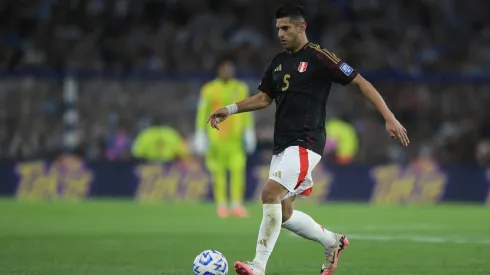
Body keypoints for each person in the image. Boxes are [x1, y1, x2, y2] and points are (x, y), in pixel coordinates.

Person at [207, 3, 409, 275]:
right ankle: (332, 242)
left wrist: (389, 117)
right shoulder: (278, 62)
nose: (280, 33)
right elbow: (265, 98)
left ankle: (258, 266)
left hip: (306, 142)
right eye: (278, 28)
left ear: (301, 27)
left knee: (269, 194)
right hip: (282, 146)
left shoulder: (319, 57)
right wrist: (230, 109)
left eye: (286, 28)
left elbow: (361, 82)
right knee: (285, 213)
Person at [194, 56, 257, 218]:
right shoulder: (209, 89)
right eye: (225, 68)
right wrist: (200, 132)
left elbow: (246, 110)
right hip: (216, 138)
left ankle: (236, 204)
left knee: (238, 172)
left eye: (230, 69)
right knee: (218, 173)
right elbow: (202, 111)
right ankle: (221, 205)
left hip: (235, 139)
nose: (228, 71)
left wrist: (249, 130)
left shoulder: (241, 87)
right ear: (219, 70)